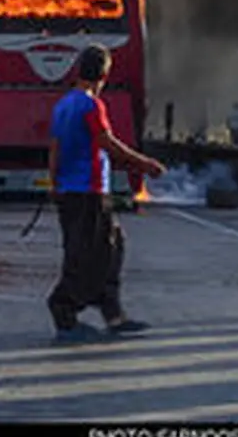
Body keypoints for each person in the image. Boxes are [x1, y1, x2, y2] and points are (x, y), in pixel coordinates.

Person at [47, 44, 166, 343]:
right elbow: (106, 142)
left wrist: (54, 184)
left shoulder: (63, 104)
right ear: (103, 73)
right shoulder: (90, 105)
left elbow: (54, 149)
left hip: (71, 191)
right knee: (87, 255)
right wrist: (145, 163)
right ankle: (64, 312)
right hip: (88, 191)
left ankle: (112, 313)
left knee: (111, 248)